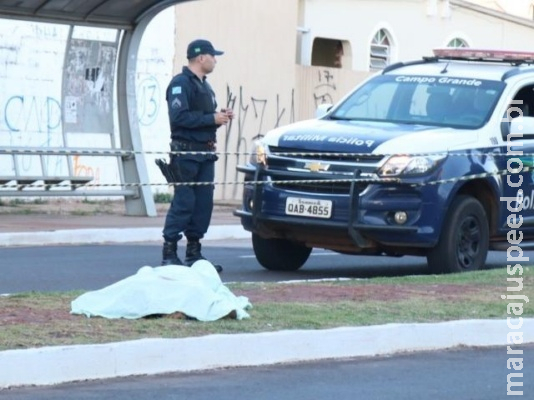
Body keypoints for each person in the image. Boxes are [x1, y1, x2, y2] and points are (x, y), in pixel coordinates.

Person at [161, 39, 233, 273]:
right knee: (184, 202)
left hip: (205, 153)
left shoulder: (206, 86)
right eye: (213, 55)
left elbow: (203, 119)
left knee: (203, 205)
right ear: (201, 57)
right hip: (186, 153)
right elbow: (179, 118)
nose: (216, 60)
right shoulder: (180, 84)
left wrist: (218, 118)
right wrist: (210, 119)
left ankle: (194, 253)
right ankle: (170, 252)